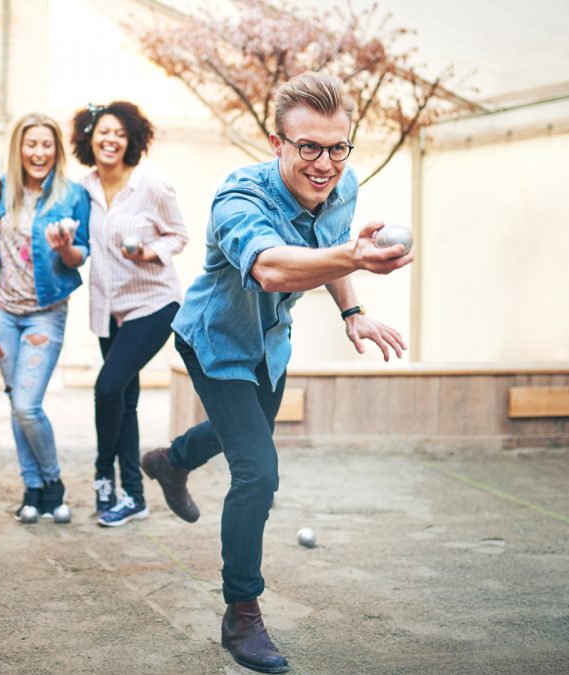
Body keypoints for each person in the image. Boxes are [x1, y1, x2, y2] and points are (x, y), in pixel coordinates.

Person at [140, 72, 413, 672]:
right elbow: (272, 268)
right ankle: (242, 614)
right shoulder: (239, 197)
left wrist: (353, 309)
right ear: (277, 143)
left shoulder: (342, 184)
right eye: (308, 147)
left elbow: (332, 244)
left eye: (337, 146)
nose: (324, 162)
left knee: (244, 437)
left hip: (269, 343)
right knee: (258, 472)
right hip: (214, 341)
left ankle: (172, 459)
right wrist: (356, 261)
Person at [69, 102, 189, 527]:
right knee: (125, 400)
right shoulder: (82, 188)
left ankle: (104, 476)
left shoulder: (151, 183)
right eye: (103, 132)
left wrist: (148, 251)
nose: (110, 140)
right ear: (89, 137)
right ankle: (134, 498)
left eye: (119, 133)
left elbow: (180, 235)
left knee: (107, 389)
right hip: (108, 308)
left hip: (153, 303)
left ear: (131, 139)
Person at [0, 113, 90, 523]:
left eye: (47, 144)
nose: (39, 152)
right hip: (0, 313)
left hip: (45, 313)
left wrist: (65, 249)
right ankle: (32, 489)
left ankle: (53, 481)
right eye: (31, 144)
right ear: (19, 149)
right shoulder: (0, 193)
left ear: (57, 150)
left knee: (28, 405)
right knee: (17, 404)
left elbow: (82, 253)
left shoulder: (71, 195)